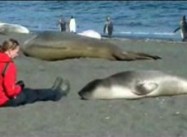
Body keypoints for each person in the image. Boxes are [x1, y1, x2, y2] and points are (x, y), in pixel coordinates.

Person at [0, 39, 70, 107]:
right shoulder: (9, 66)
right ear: (9, 51)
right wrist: (19, 87)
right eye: (16, 52)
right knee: (32, 93)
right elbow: (11, 92)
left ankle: (52, 91)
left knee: (27, 91)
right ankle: (57, 94)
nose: (17, 55)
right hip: (5, 100)